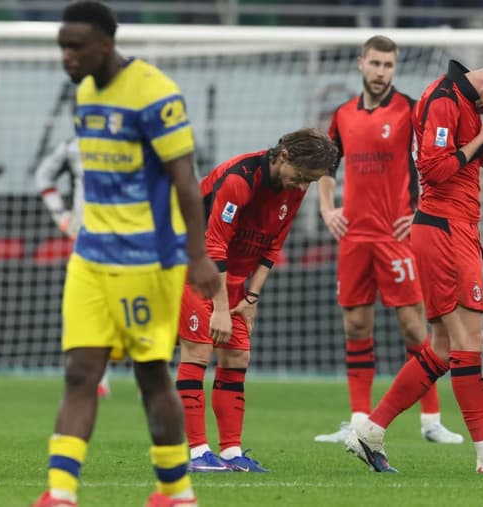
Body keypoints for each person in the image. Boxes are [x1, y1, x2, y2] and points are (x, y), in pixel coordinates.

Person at [31, 2, 221, 507]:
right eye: (62, 48)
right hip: (90, 256)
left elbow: (185, 180)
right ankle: (61, 493)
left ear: (105, 46)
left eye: (76, 48)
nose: (67, 58)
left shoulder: (155, 95)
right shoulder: (86, 92)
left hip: (146, 262)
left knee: (150, 372)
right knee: (80, 373)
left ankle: (177, 493)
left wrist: (197, 255)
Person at [345, 41, 483, 475]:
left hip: (459, 228)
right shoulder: (442, 100)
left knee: (442, 348)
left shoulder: (473, 103)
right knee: (470, 343)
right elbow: (433, 170)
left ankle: (370, 432)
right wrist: (482, 139)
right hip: (444, 228)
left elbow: (478, 141)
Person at [313, 35, 463, 446]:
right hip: (354, 237)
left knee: (415, 328)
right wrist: (329, 209)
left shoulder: (410, 110)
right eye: (375, 63)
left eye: (388, 66)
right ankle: (358, 420)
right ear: (361, 63)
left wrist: (418, 212)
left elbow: (432, 162)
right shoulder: (342, 115)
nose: (381, 72)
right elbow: (326, 164)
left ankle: (431, 420)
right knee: (356, 325)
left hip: (395, 238)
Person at [177, 128, 339, 473]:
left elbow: (273, 245)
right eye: (299, 177)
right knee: (198, 351)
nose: (301, 187)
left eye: (308, 181)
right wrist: (221, 309)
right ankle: (195, 453)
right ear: (284, 156)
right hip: (195, 266)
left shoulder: (299, 184)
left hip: (232, 276)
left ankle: (232, 454)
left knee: (237, 354)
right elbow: (214, 245)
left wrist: (251, 296)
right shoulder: (240, 179)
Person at [34, 135, 112, 399]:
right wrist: (62, 215)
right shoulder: (72, 146)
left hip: (133, 236)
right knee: (85, 306)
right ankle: (94, 375)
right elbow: (43, 177)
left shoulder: (139, 138)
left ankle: (147, 375)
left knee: (136, 306)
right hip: (87, 237)